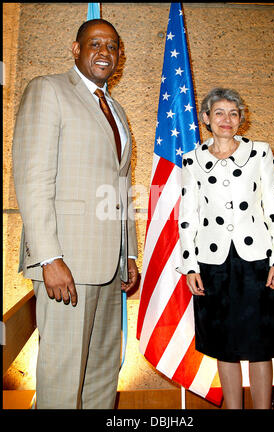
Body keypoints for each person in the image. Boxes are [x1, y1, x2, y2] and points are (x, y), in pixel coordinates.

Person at [12, 18, 138, 409]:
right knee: (63, 379)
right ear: (76, 48)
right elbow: (33, 180)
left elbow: (120, 183)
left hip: (109, 268)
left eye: (112, 46)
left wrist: (128, 252)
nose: (105, 52)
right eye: (95, 44)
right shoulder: (47, 90)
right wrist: (50, 258)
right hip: (65, 265)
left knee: (102, 374)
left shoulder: (115, 109)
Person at [177, 87, 274, 409]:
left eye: (233, 113)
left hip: (257, 262)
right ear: (206, 119)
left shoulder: (260, 153)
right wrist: (190, 266)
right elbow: (188, 216)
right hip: (212, 265)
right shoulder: (192, 160)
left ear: (241, 119)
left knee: (261, 344)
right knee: (222, 345)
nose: (226, 120)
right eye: (219, 113)